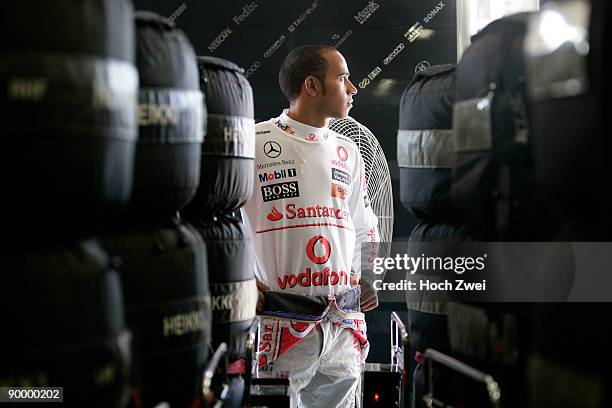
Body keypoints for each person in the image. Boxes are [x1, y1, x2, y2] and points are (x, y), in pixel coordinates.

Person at [241, 44, 379, 408]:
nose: (352, 89)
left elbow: (362, 224)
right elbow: (224, 222)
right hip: (283, 323)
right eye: (343, 78)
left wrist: (367, 275)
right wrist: (239, 280)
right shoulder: (254, 144)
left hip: (342, 326)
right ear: (312, 86)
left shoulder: (349, 151)